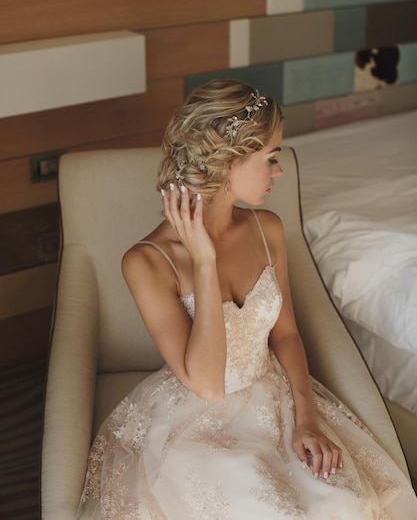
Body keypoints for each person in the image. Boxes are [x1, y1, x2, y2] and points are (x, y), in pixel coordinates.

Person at [77, 79, 417, 519]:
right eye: (271, 158)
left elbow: (288, 333)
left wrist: (306, 418)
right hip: (198, 425)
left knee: (346, 504)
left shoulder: (267, 228)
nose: (279, 172)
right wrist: (203, 261)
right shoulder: (146, 261)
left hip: (277, 399)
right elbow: (208, 384)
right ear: (227, 161)